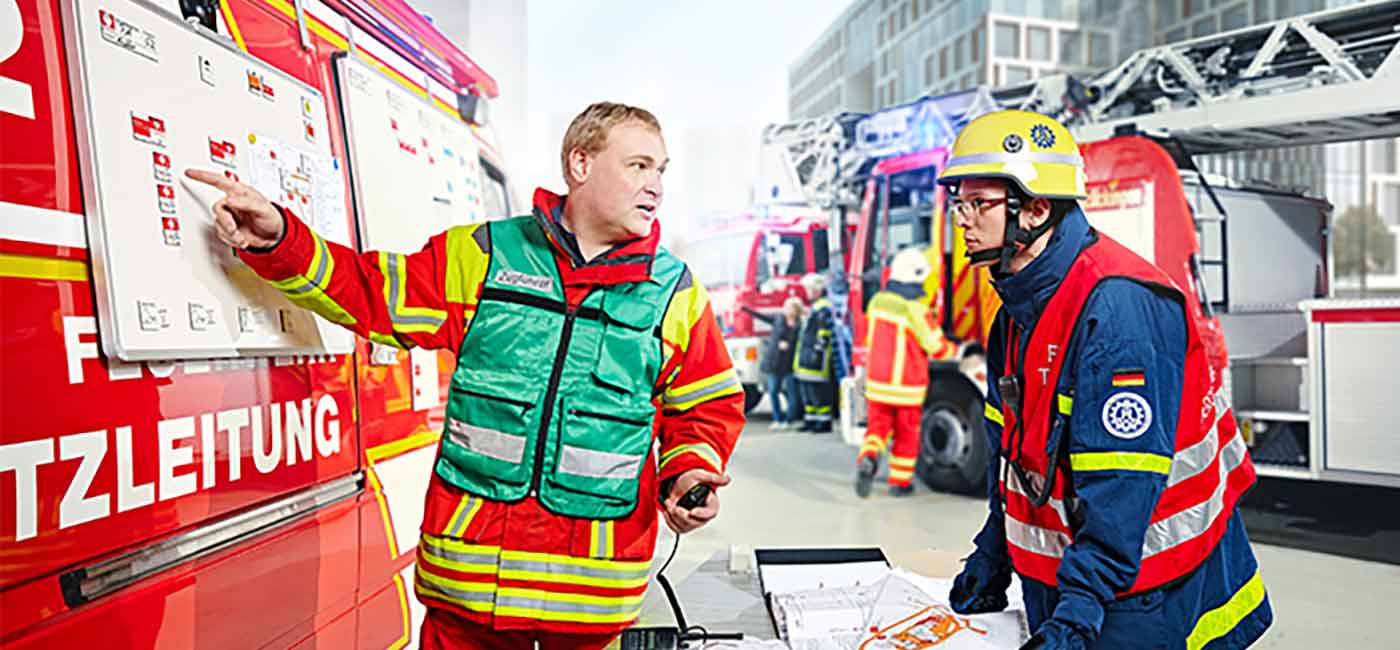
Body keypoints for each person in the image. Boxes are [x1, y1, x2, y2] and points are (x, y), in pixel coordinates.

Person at [187, 102, 746, 649]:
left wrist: (688, 474)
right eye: (639, 165)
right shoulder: (483, 256)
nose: (656, 186)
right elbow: (368, 292)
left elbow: (706, 407)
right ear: (580, 165)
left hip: (590, 600)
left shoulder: (674, 293)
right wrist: (280, 238)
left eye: (661, 171)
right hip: (471, 591)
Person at [936, 110, 1271, 650]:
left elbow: (1123, 486)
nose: (963, 220)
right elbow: (1015, 460)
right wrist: (993, 554)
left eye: (979, 204)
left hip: (1137, 590)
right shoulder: (1018, 312)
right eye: (960, 203)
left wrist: (1077, 616)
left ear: (1037, 208)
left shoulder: (1115, 307)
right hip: (1078, 582)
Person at [856, 248, 957, 498]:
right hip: (907, 386)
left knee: (877, 429)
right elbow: (935, 345)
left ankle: (869, 457)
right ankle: (900, 483)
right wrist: (958, 350)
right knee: (906, 433)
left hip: (878, 383)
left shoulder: (877, 302)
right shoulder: (915, 309)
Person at [746, 297, 805, 430]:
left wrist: (788, 344)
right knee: (773, 391)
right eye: (787, 307)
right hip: (775, 362)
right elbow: (763, 317)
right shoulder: (779, 319)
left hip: (790, 363)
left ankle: (789, 420)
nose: (788, 310)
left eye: (791, 308)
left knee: (792, 394)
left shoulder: (799, 325)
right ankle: (778, 419)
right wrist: (747, 310)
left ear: (796, 310)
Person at [793, 273, 836, 432]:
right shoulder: (816, 306)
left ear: (817, 289)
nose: (807, 292)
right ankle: (810, 419)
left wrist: (818, 351)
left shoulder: (823, 307)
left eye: (809, 289)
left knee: (818, 390)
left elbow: (824, 332)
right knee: (807, 390)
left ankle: (823, 421)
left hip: (816, 358)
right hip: (807, 356)